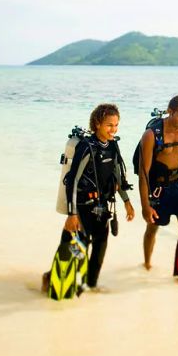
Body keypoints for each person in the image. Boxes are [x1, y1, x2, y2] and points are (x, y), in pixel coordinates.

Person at [61, 103, 135, 292]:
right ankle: (67, 277)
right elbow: (73, 181)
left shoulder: (113, 146)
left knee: (100, 248)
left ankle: (90, 285)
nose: (114, 129)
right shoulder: (87, 147)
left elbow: (117, 176)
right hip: (83, 206)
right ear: (97, 124)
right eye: (110, 125)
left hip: (102, 206)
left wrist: (126, 201)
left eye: (116, 125)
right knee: (80, 248)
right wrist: (72, 214)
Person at [138, 95, 178, 288]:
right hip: (159, 189)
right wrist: (145, 205)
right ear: (170, 111)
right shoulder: (151, 135)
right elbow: (143, 173)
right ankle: (147, 263)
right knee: (152, 228)